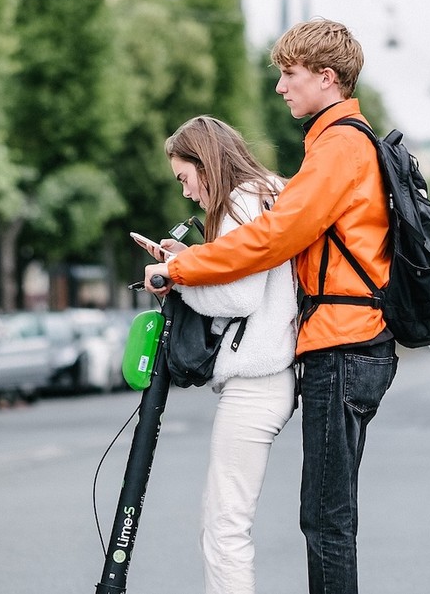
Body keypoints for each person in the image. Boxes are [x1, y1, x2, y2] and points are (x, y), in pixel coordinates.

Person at [145, 18, 396, 594]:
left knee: (326, 521)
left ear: (326, 77)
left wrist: (179, 269)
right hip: (344, 343)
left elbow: (270, 240)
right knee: (324, 517)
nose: (280, 86)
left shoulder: (339, 147)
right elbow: (274, 230)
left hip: (345, 342)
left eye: (289, 74)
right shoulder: (330, 150)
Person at [159, 116, 298, 594]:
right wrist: (192, 260)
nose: (186, 193)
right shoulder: (271, 191)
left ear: (206, 162)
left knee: (224, 526)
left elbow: (239, 298)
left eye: (185, 177)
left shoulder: (241, 202)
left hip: (257, 378)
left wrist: (178, 278)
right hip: (275, 373)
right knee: (228, 520)